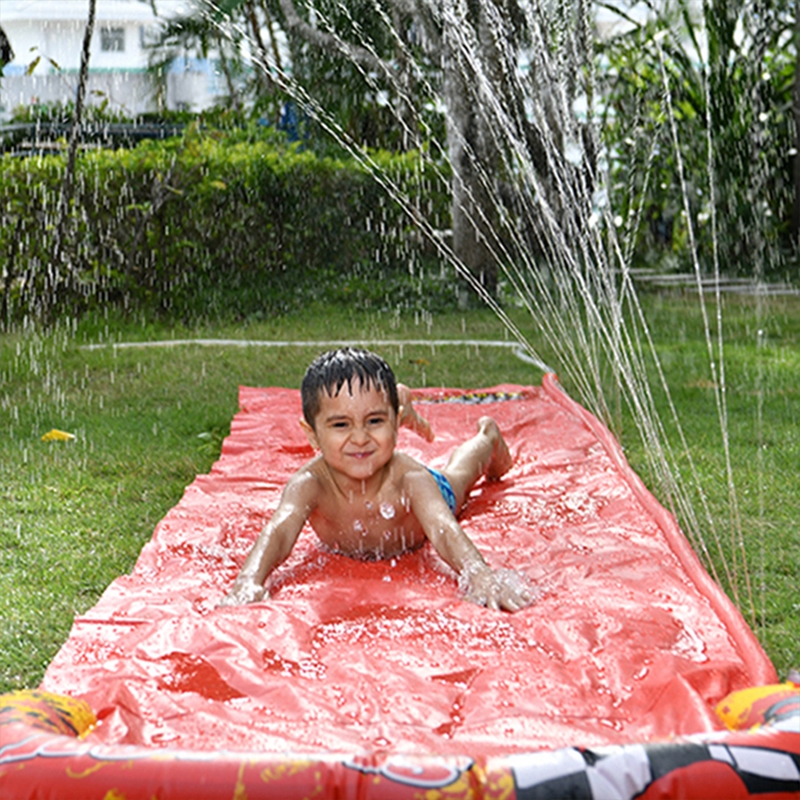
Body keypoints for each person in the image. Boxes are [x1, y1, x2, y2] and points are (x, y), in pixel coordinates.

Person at [220, 347, 532, 611]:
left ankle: (488, 438)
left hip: (433, 491)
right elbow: (278, 532)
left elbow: (443, 529)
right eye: (340, 425)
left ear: (393, 426)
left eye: (374, 421)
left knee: (459, 475)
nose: (360, 439)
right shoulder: (310, 484)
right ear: (312, 434)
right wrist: (249, 580)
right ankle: (395, 405)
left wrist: (480, 575)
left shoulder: (410, 479)